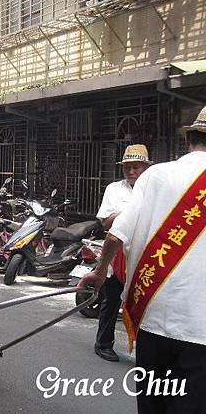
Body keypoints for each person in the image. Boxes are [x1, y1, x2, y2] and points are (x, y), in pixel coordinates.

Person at [80, 109, 206, 413]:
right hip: (200, 329)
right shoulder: (134, 182)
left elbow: (115, 236)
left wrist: (98, 274)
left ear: (188, 138)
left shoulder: (156, 175)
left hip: (153, 315)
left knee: (152, 404)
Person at [94, 144, 151, 362]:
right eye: (127, 167)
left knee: (144, 305)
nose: (131, 171)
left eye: (135, 167)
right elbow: (105, 222)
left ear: (145, 167)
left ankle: (145, 350)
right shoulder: (114, 189)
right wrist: (123, 214)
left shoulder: (152, 190)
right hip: (117, 254)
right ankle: (103, 344)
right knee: (111, 300)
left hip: (143, 256)